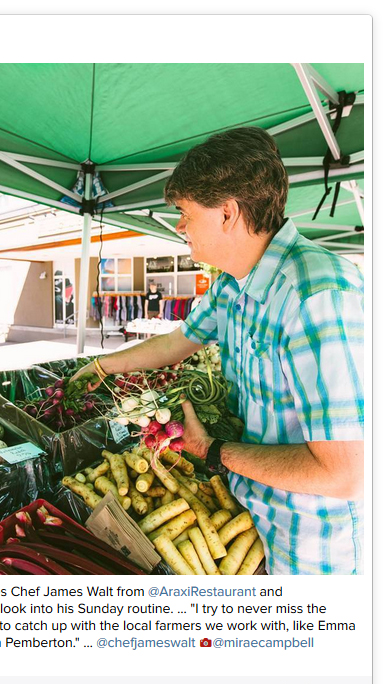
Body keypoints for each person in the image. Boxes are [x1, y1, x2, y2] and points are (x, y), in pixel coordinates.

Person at [73, 127, 364, 575]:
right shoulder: (234, 284)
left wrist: (212, 450)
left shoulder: (317, 295)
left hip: (315, 552)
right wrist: (102, 364)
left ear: (227, 213)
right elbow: (177, 342)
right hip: (254, 526)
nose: (179, 226)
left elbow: (345, 473)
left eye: (186, 213)